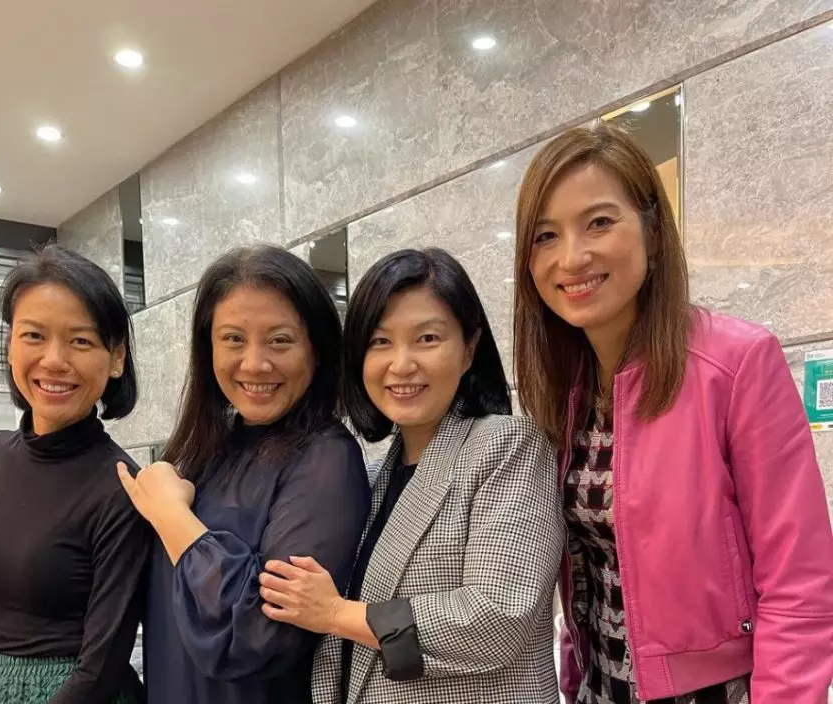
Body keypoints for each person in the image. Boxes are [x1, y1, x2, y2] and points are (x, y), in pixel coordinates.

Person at [512, 124, 833, 703]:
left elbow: (799, 584)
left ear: (654, 233)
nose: (572, 257)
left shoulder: (734, 363)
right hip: (598, 688)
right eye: (546, 235)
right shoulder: (566, 389)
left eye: (599, 222)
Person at [259, 247, 565, 704]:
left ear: (469, 348)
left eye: (427, 338)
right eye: (380, 342)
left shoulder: (508, 444)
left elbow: (498, 617)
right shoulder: (373, 474)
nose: (401, 365)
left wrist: (336, 614)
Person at [117, 245, 370, 704]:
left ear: (317, 350)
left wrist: (173, 518)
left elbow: (255, 632)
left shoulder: (327, 459)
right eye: (233, 339)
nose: (254, 363)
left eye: (280, 340)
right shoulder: (204, 448)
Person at [0, 244, 149, 704]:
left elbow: (103, 664)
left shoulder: (124, 487)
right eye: (33, 335)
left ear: (116, 357)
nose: (54, 360)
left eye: (80, 341)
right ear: (10, 346)